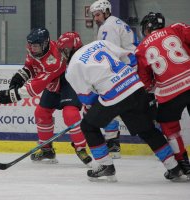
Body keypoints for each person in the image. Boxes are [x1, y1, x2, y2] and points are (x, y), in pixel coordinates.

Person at [65, 39, 186, 181]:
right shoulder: (99, 43)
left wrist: (94, 108)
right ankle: (173, 167)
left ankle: (105, 166)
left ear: (66, 52)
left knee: (88, 126)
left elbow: (86, 98)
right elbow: (131, 57)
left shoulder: (72, 67)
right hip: (135, 86)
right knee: (147, 130)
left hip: (113, 95)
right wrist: (126, 80)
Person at [0, 27, 92, 166]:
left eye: (35, 46)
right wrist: (18, 78)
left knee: (70, 114)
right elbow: (30, 66)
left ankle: (81, 148)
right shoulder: (36, 50)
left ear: (45, 44)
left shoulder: (54, 60)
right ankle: (47, 150)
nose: (32, 48)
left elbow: (36, 86)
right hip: (52, 85)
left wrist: (12, 96)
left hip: (68, 82)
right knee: (41, 113)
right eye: (31, 45)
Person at [135, 12, 190, 178]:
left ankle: (183, 164)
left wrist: (153, 86)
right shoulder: (176, 28)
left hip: (169, 92)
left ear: (147, 27)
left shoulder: (141, 48)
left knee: (170, 127)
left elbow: (146, 82)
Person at [88, 0, 140, 158]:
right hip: (130, 68)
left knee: (107, 104)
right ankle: (113, 143)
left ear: (106, 11)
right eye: (94, 15)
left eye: (97, 14)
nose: (95, 18)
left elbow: (110, 54)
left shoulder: (108, 26)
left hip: (127, 71)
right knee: (113, 106)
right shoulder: (113, 23)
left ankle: (113, 144)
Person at [57, 31, 121, 158]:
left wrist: (88, 107)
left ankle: (106, 152)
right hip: (117, 82)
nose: (63, 54)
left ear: (73, 47)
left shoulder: (75, 63)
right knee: (109, 111)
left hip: (105, 85)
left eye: (65, 50)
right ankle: (113, 144)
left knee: (93, 119)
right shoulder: (91, 48)